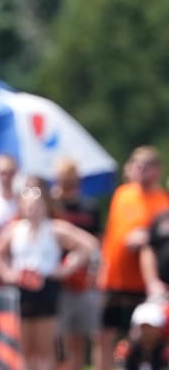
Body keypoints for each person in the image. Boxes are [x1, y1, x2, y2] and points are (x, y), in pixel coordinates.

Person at [0, 177, 98, 370]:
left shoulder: (54, 228)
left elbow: (88, 245)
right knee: (25, 348)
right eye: (28, 206)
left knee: (45, 347)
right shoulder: (15, 229)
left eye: (37, 206)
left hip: (46, 288)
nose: (33, 210)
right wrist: (8, 274)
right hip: (22, 288)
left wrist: (65, 269)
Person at [94, 146, 169, 370]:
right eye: (137, 164)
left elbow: (157, 237)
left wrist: (144, 235)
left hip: (140, 282)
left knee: (139, 336)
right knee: (103, 334)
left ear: (157, 170)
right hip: (113, 278)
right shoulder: (122, 194)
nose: (141, 170)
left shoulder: (162, 201)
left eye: (146, 166)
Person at [50, 158, 102, 370]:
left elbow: (98, 242)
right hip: (56, 279)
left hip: (82, 279)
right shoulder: (51, 206)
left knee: (79, 338)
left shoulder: (89, 207)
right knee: (56, 340)